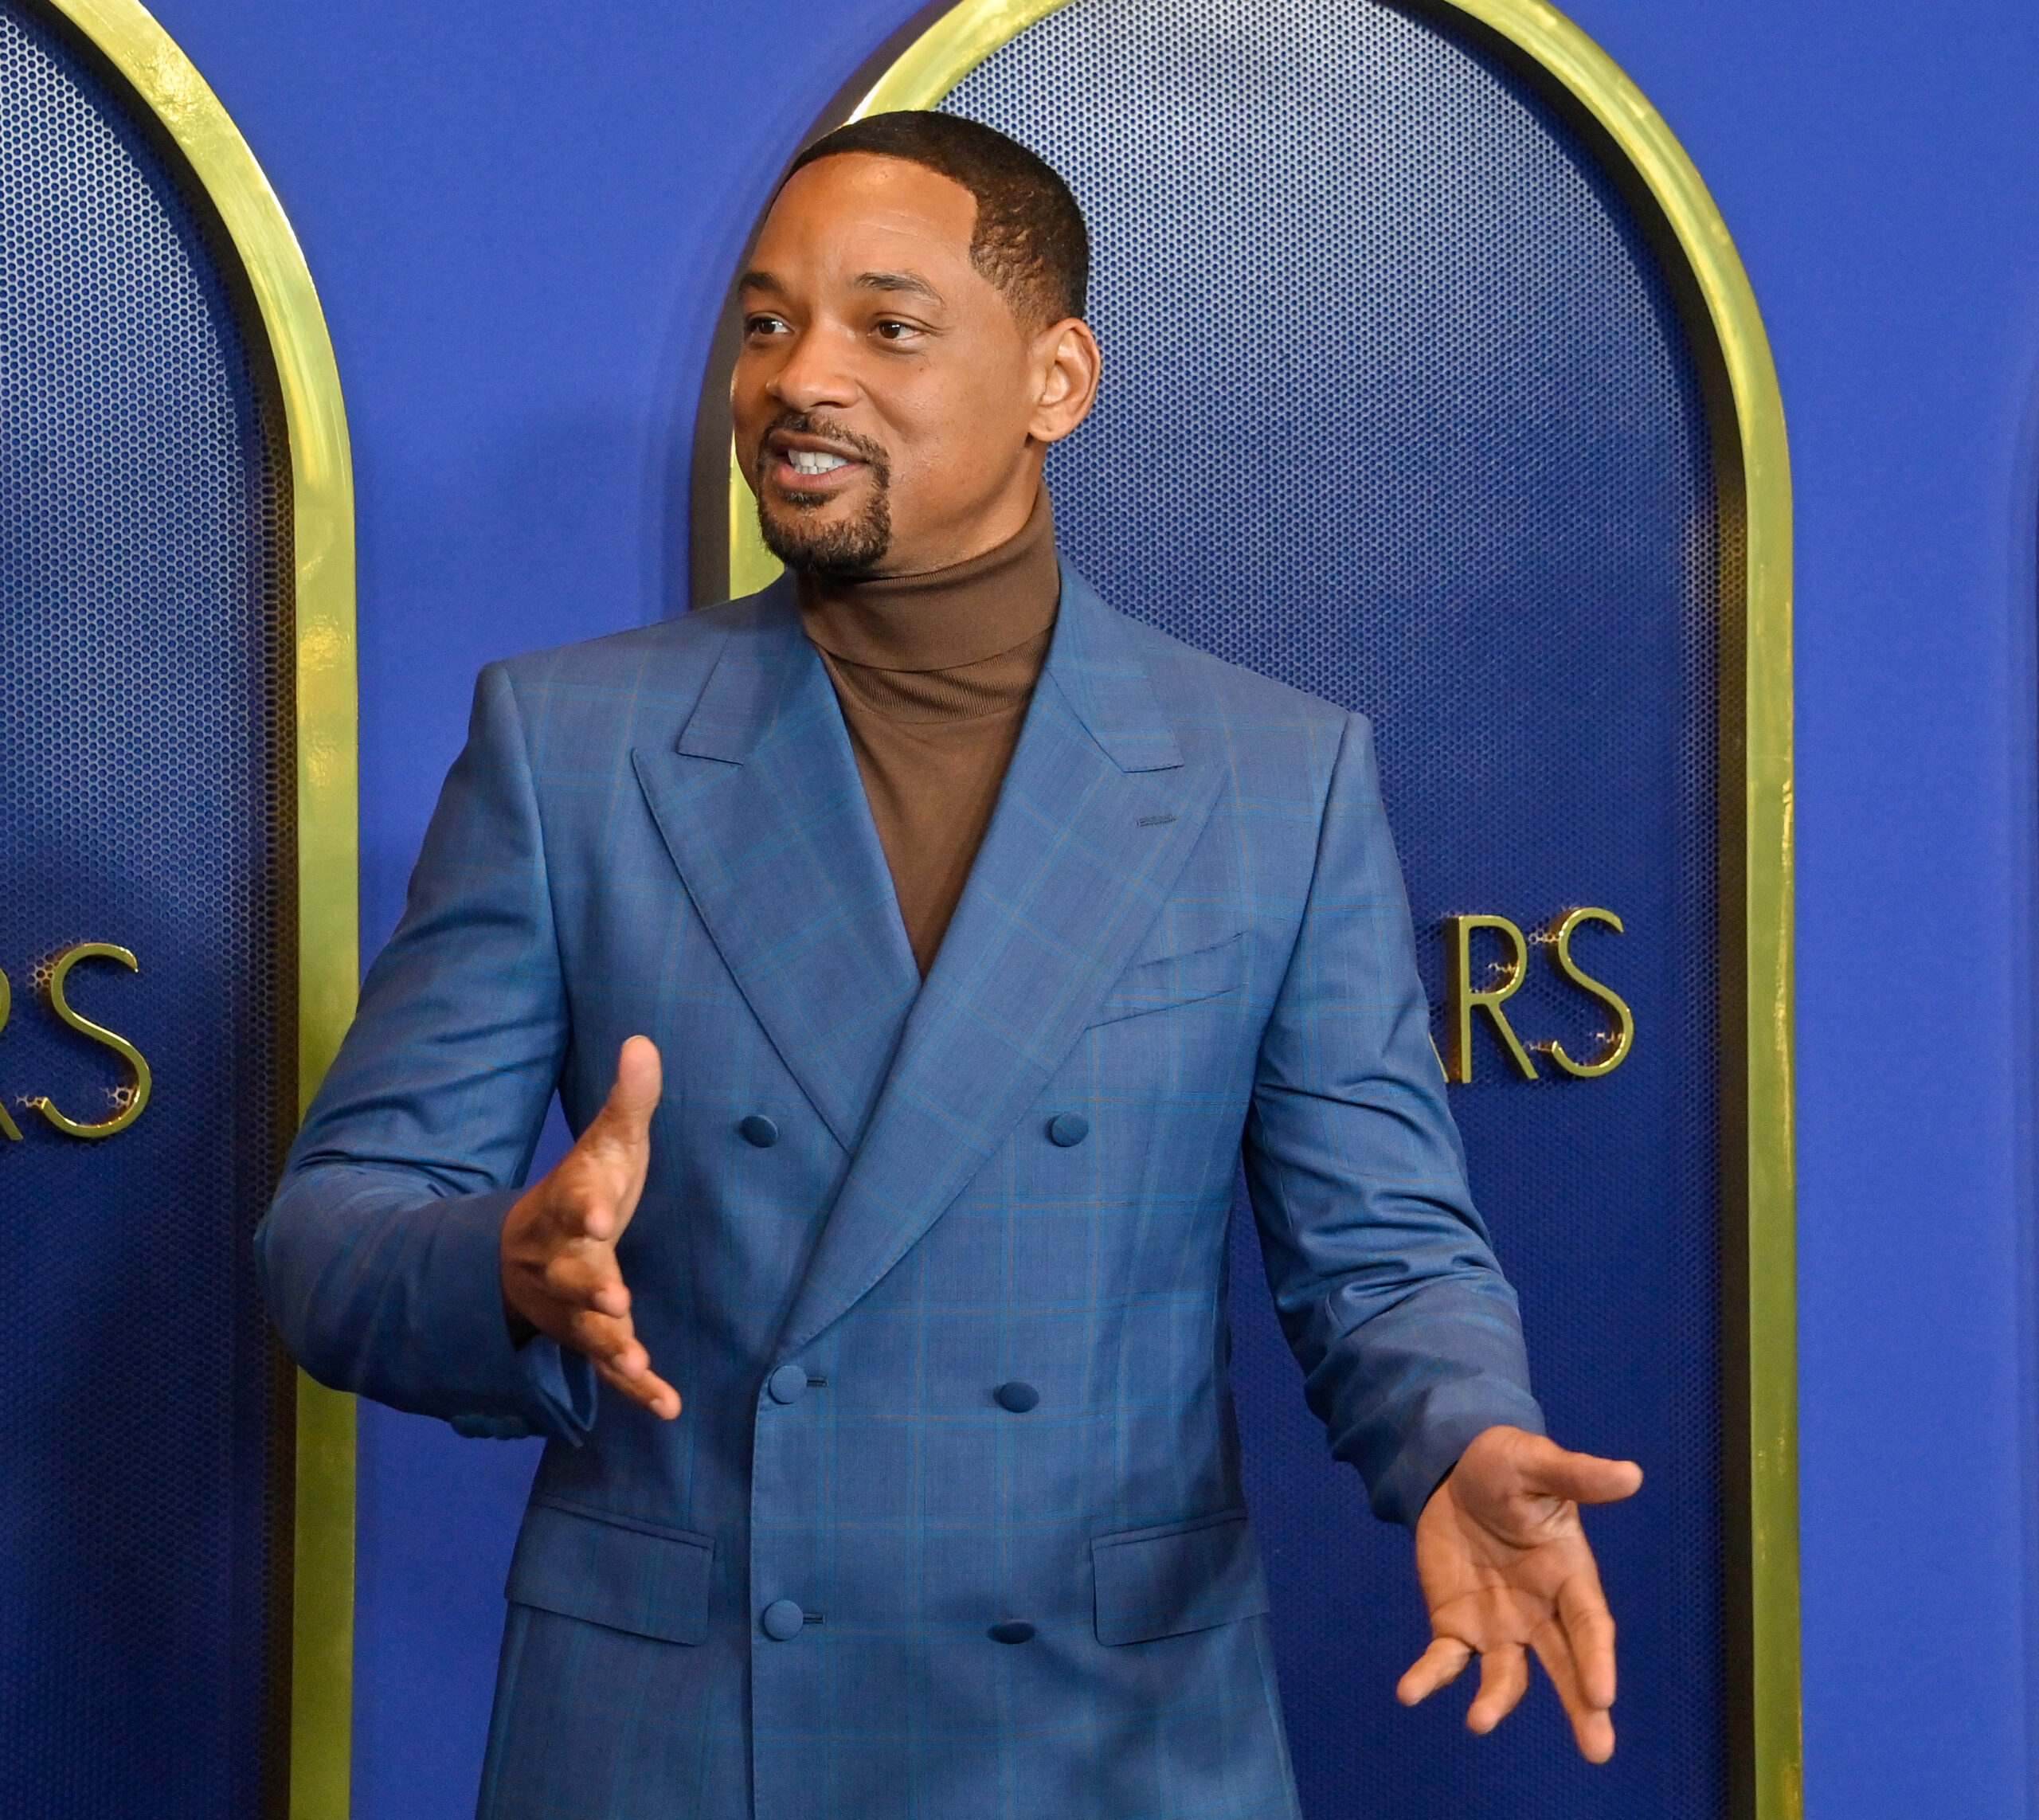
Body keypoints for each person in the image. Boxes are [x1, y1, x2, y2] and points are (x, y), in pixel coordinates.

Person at [258, 111, 1641, 1819]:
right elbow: (327, 1237)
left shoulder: (1273, 778)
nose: (800, 379)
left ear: (1056, 379)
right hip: (682, 1736)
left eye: (887, 325)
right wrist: (503, 1267)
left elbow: (1380, 1249)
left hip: (1107, 1732)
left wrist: (1463, 1433)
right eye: (768, 325)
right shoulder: (572, 747)